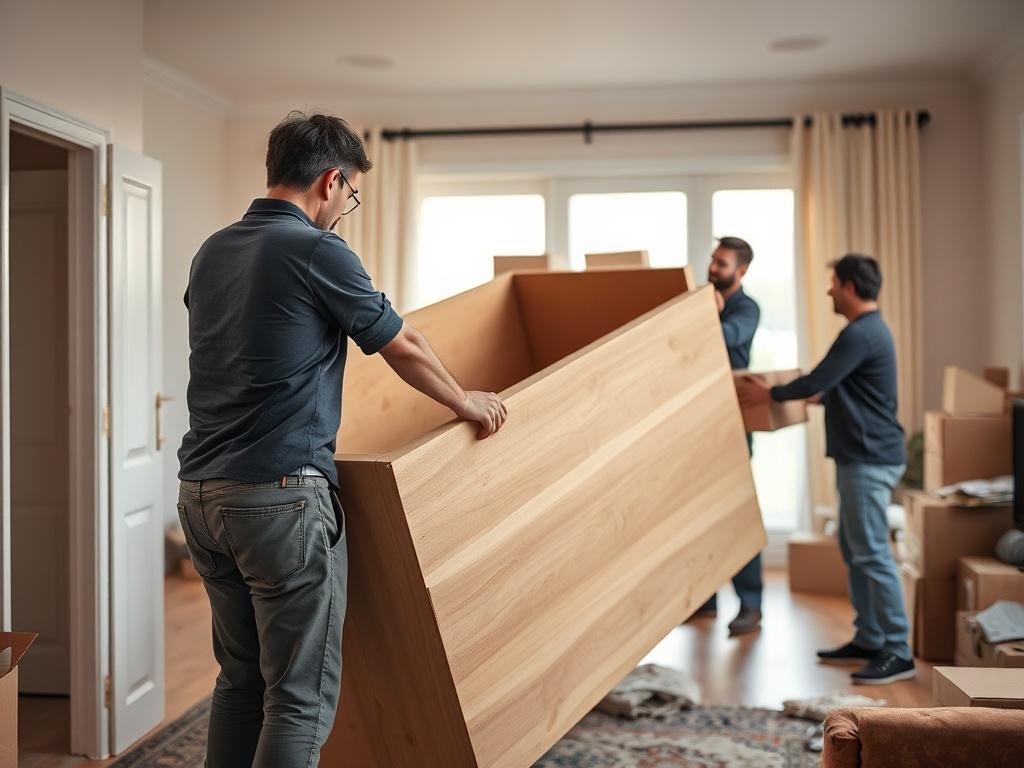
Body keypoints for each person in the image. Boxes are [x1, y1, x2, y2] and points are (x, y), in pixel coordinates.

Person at [176, 112, 507, 767]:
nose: (344, 207)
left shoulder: (213, 250)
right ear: (331, 181)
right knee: (298, 700)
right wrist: (464, 400)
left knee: (240, 683)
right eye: (350, 192)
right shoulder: (314, 249)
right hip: (279, 499)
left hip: (201, 496)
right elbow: (400, 342)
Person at [740, 253, 913, 685]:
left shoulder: (860, 333)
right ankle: (870, 637)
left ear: (851, 286)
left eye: (834, 283)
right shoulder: (867, 332)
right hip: (862, 457)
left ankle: (897, 650)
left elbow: (816, 380)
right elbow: (838, 388)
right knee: (856, 551)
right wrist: (815, 395)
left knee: (872, 553)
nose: (829, 291)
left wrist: (772, 392)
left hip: (869, 459)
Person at [691, 236, 764, 636]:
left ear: (742, 270)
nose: (714, 269)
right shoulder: (701, 298)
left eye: (722, 264)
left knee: (738, 516)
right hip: (700, 424)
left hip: (733, 424)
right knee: (703, 513)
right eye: (713, 261)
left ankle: (751, 605)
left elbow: (729, 338)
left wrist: (713, 313)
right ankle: (706, 598)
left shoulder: (746, 307)